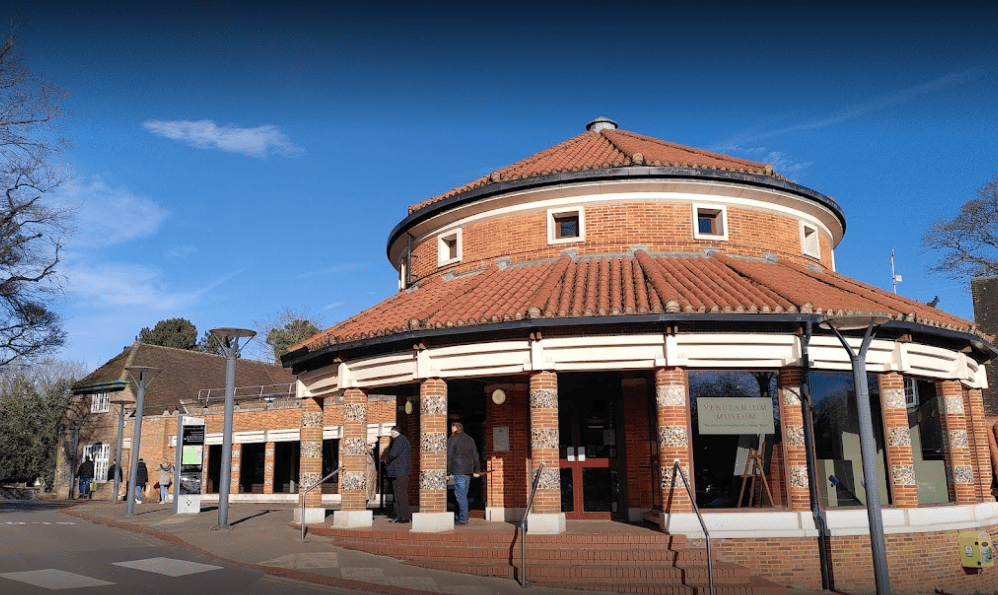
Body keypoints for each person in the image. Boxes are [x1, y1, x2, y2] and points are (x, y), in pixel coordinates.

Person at [446, 422, 480, 525]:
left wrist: (447, 472)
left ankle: (463, 518)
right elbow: (475, 456)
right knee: (463, 494)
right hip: (468, 471)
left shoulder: (453, 439)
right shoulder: (470, 439)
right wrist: (477, 470)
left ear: (456, 428)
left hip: (457, 470)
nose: (451, 429)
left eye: (452, 428)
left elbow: (449, 456)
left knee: (460, 496)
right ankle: (460, 515)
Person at [383, 426, 411, 523]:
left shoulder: (399, 440)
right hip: (399, 472)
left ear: (395, 432)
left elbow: (393, 454)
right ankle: (400, 515)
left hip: (400, 472)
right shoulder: (404, 440)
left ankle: (404, 516)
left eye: (392, 433)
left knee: (400, 495)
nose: (391, 435)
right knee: (398, 495)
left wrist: (387, 459)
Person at [366, 439, 378, 504]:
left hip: (371, 475)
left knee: (369, 492)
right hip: (368, 475)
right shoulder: (366, 451)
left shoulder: (370, 451)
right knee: (367, 493)